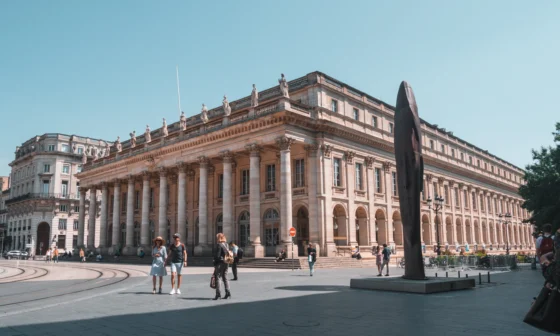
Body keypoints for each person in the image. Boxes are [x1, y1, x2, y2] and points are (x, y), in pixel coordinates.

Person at [212, 233, 231, 300]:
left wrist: (214, 263)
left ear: (219, 238)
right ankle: (228, 292)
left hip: (220, 263)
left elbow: (217, 256)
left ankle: (218, 294)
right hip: (226, 262)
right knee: (225, 277)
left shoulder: (219, 245)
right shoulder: (226, 245)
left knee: (218, 277)